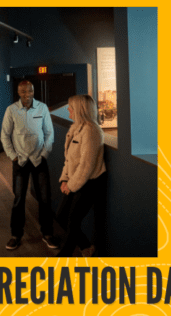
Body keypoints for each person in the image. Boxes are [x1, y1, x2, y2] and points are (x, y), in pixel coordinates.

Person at [1, 80, 57, 250]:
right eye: (23, 92)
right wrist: (12, 157)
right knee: (18, 199)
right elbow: (5, 135)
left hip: (39, 160)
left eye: (30, 91)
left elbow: (49, 133)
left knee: (45, 199)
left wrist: (44, 154)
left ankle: (47, 234)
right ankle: (16, 235)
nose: (27, 95)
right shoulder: (11, 110)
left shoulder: (42, 108)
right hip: (20, 161)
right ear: (19, 93)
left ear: (34, 91)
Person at [57, 95, 107, 257]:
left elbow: (86, 165)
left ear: (80, 110)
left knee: (72, 221)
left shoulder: (92, 131)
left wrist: (70, 186)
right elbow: (70, 159)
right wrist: (65, 179)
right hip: (75, 181)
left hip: (90, 184)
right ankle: (86, 247)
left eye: (70, 107)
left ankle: (63, 256)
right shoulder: (76, 128)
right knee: (62, 216)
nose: (68, 110)